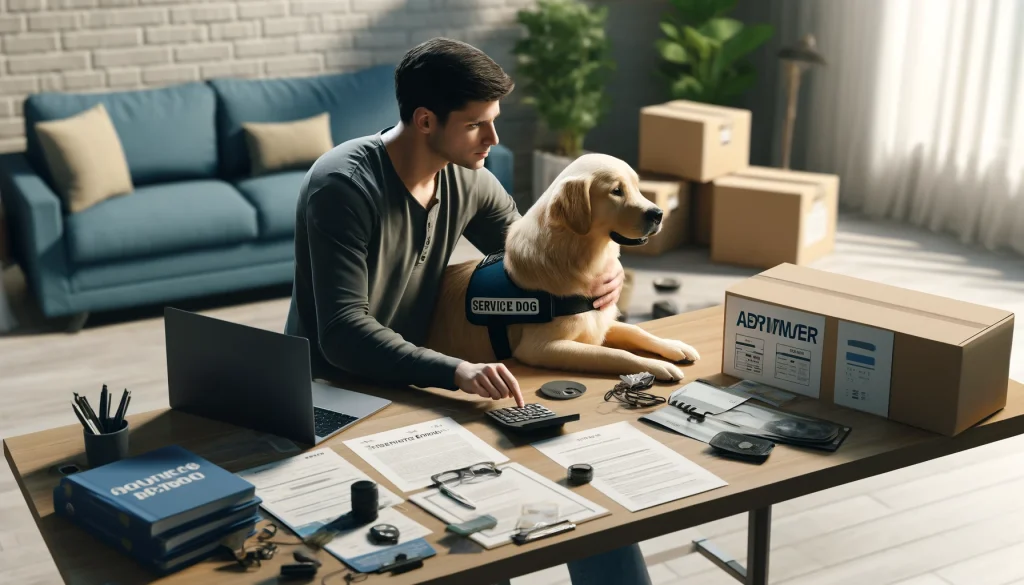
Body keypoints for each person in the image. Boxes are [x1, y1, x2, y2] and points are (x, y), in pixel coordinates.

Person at [284, 37, 649, 585]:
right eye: (478, 123)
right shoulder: (343, 186)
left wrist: (601, 274)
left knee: (591, 507)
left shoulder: (468, 177)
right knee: (475, 544)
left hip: (421, 385)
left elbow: (530, 254)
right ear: (427, 121)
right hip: (332, 395)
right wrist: (456, 370)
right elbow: (343, 333)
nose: (494, 138)